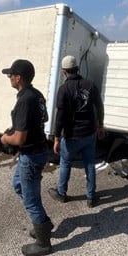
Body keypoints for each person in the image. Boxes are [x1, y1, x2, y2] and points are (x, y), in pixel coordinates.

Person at [0, 59, 52, 256]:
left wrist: (6, 138)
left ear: (18, 77)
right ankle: (43, 224)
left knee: (31, 200)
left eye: (10, 75)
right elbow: (44, 118)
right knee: (19, 186)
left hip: (30, 154)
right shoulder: (36, 95)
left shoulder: (24, 100)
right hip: (38, 151)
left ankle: (43, 242)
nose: (9, 78)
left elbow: (20, 139)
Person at [49, 55, 105, 208]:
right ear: (77, 69)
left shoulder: (64, 89)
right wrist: (100, 126)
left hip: (71, 135)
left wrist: (56, 138)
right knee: (89, 163)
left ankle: (61, 193)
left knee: (66, 162)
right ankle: (91, 197)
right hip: (89, 133)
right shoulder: (90, 85)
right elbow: (99, 107)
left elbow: (60, 117)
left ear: (64, 71)